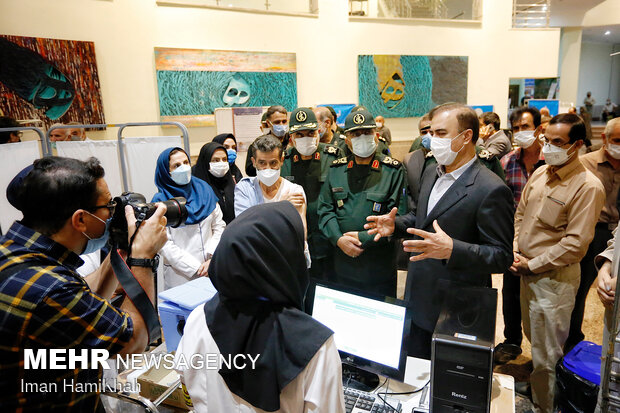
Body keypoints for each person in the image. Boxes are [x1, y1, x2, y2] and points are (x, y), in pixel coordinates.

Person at [0, 156, 167, 411]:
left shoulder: (16, 253)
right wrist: (143, 256)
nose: (112, 213)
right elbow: (134, 341)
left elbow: (84, 298)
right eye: (107, 207)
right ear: (80, 220)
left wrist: (122, 248)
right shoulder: (52, 289)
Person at [366, 103, 514, 359]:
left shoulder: (491, 189)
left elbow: (501, 256)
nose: (432, 140)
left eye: (441, 134)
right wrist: (396, 225)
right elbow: (421, 218)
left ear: (466, 136)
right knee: (416, 369)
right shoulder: (432, 173)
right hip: (419, 293)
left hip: (457, 307)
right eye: (431, 133)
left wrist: (453, 249)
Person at [175, 201, 345, 413]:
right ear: (283, 258)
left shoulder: (199, 318)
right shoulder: (317, 348)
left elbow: (186, 383)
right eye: (299, 246)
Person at [510, 113, 605, 412]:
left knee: (548, 354)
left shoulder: (588, 186)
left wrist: (532, 264)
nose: (549, 147)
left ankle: (546, 406)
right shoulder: (541, 173)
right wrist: (515, 249)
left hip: (553, 281)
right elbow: (521, 215)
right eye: (546, 140)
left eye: (558, 142)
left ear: (577, 145)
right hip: (525, 272)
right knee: (534, 340)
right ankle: (541, 392)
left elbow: (575, 245)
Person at [318, 109, 407, 297]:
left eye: (367, 132)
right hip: (342, 266)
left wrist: (364, 238)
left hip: (378, 268)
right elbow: (325, 209)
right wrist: (339, 239)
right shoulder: (336, 169)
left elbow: (399, 216)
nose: (362, 137)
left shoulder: (393, 170)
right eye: (355, 134)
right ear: (347, 139)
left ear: (376, 135)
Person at [495, 106, 546, 364]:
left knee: (541, 300)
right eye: (515, 128)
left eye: (525, 127)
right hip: (512, 240)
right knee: (511, 294)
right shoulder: (507, 163)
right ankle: (512, 341)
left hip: (543, 243)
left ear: (539, 129)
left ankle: (543, 355)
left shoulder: (551, 163)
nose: (519, 133)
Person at [565, 118, 620, 353]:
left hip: (616, 236)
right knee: (578, 290)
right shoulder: (584, 164)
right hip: (591, 231)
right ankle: (570, 341)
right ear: (605, 139)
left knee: (610, 294)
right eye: (617, 140)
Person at [281, 107, 342, 281]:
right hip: (298, 242)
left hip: (329, 240)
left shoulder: (334, 156)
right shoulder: (284, 161)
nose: (305, 138)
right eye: (299, 135)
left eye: (310, 133)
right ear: (291, 138)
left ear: (318, 132)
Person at [154, 147, 226, 290]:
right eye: (176, 165)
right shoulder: (161, 202)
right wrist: (196, 268)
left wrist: (212, 258)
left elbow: (219, 226)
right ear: (166, 172)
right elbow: (164, 244)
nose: (184, 168)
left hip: (211, 267)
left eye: (186, 162)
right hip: (181, 276)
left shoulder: (204, 189)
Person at [235, 134, 306, 218]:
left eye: (273, 163)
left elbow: (300, 229)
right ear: (254, 162)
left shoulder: (294, 191)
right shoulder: (245, 188)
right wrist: (282, 206)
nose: (268, 168)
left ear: (281, 161)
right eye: (262, 163)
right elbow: (245, 226)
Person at [193, 142, 237, 224]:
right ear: (206, 162)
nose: (221, 163)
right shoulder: (196, 188)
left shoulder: (230, 183)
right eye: (216, 160)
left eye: (224, 159)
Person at [245, 105, 289, 177]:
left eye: (284, 121)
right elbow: (249, 171)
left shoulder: (292, 141)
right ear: (268, 123)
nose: (281, 125)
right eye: (277, 122)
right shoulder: (258, 144)